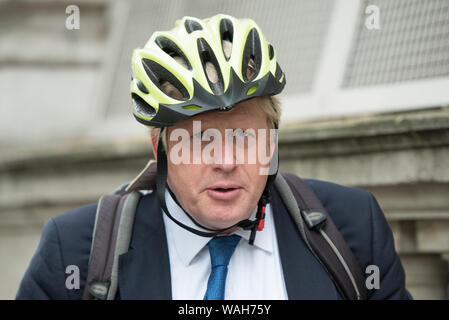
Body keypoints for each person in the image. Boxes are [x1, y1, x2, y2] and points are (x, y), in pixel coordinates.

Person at [16, 14, 412, 300]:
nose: (225, 161)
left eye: (245, 139)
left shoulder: (353, 227)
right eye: (201, 141)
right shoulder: (75, 252)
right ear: (160, 150)